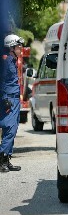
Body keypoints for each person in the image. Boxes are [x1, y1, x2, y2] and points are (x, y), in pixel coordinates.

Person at [0, 34, 24, 173]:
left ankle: (7, 158)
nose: (20, 49)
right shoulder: (6, 62)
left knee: (12, 128)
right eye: (17, 46)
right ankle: (2, 159)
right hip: (8, 98)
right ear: (11, 48)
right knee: (10, 128)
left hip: (14, 97)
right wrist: (5, 99)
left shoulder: (12, 61)